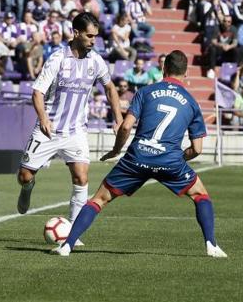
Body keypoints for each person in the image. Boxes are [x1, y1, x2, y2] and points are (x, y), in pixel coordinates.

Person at [52, 50, 227, 258]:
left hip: (136, 159)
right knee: (201, 196)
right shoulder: (191, 102)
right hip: (170, 161)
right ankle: (211, 245)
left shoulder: (146, 92)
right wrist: (177, 159)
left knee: (99, 199)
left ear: (164, 69)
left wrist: (116, 150)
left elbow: (125, 127)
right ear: (186, 72)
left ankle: (67, 245)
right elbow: (197, 149)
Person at [16, 12, 123, 235]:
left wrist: (118, 118)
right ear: (76, 33)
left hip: (76, 131)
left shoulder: (96, 60)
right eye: (90, 36)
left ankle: (73, 232)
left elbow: (110, 88)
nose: (94, 41)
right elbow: (37, 92)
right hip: (49, 130)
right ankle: (28, 187)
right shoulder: (58, 59)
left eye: (96, 36)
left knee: (81, 178)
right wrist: (44, 118)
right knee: (24, 176)